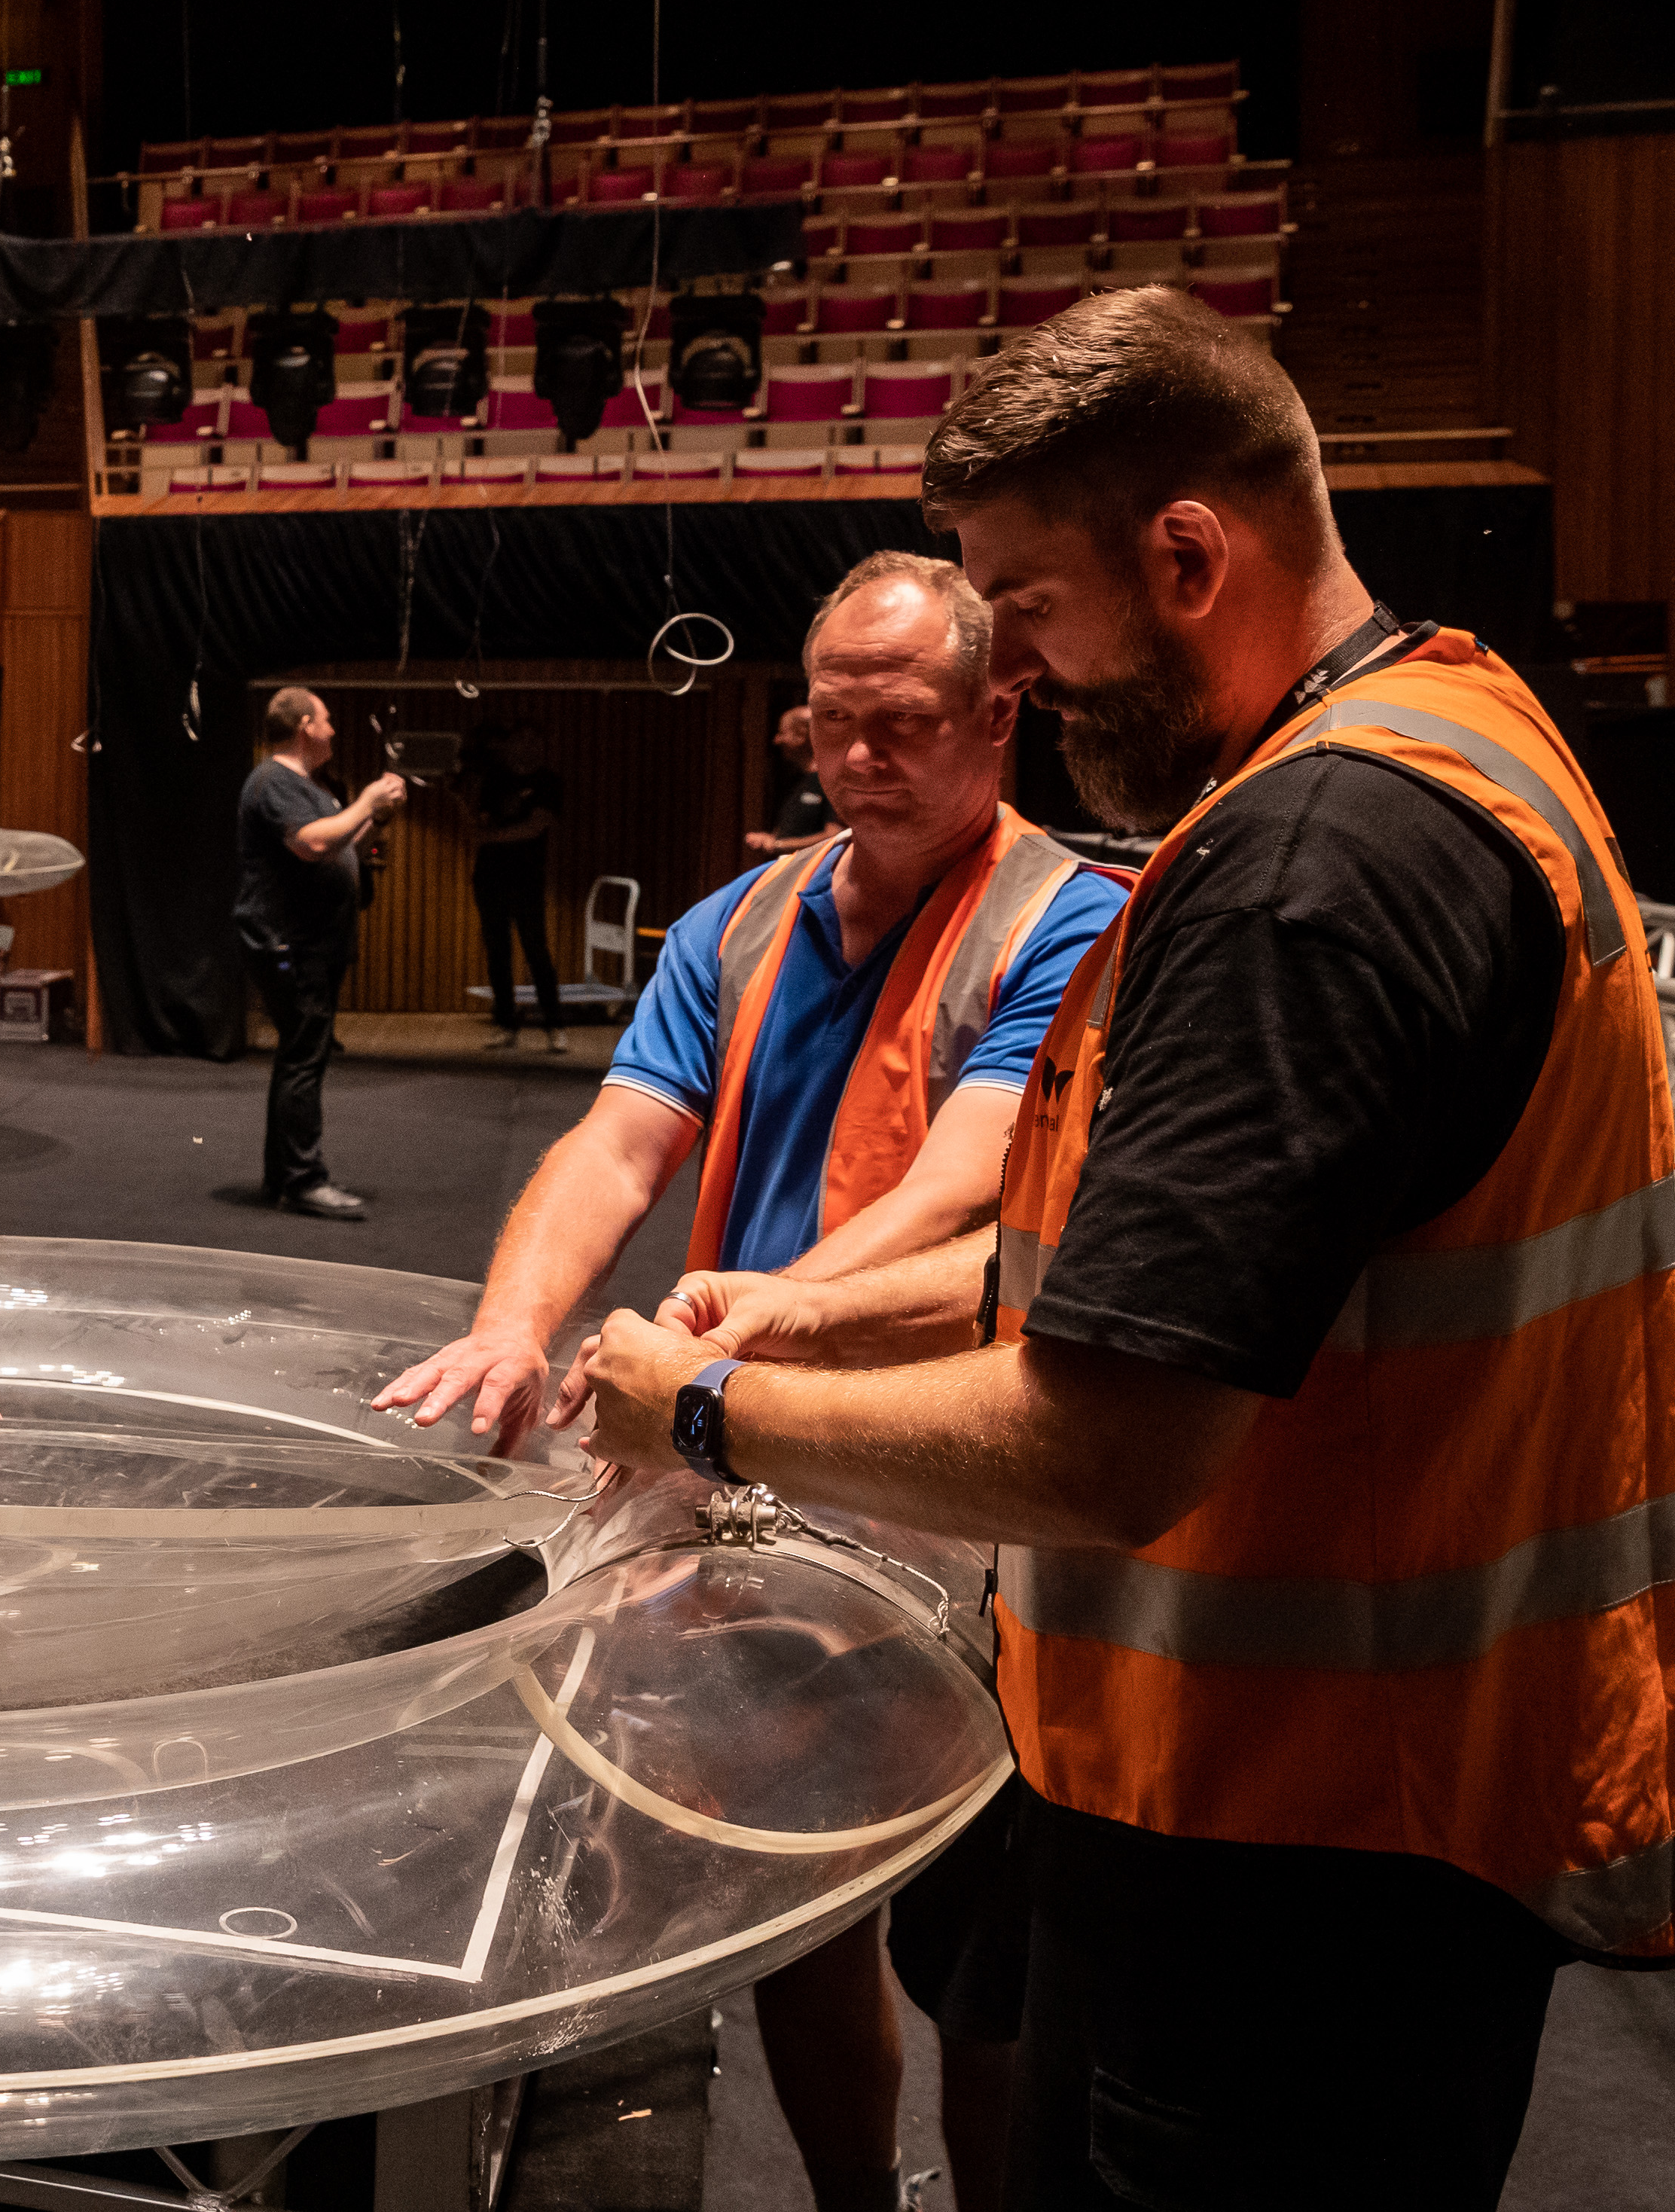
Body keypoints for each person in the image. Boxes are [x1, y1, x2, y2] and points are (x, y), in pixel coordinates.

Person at [570, 289, 1675, 2210]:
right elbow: (1163, 1250)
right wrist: (816, 1306)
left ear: (1184, 554)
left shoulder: (1307, 870)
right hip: (1351, 1809)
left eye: (1021, 603)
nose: (1014, 666)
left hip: (1303, 1846)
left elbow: (1104, 1438)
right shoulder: (1448, 731)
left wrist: (701, 1407)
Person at [374, 553, 1122, 2212]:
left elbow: (964, 1188)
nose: (861, 758)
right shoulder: (745, 920)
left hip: (961, 1471)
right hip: (745, 1443)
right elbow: (617, 1142)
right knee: (786, 1880)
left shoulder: (1067, 923)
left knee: (982, 1961)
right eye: (834, 724)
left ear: (1000, 716)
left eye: (904, 723)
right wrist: (513, 1320)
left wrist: (749, 1323)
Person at [236, 685, 407, 1220]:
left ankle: (281, 1175)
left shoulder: (301, 784)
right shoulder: (273, 781)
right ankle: (305, 1180)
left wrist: (374, 817)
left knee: (299, 1056)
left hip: (312, 942)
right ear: (306, 724)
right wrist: (365, 802)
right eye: (328, 721)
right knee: (304, 1059)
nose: (334, 730)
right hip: (291, 942)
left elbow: (335, 842)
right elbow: (310, 844)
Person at [467, 722, 569, 1055]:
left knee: (536, 950)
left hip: (526, 877)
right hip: (489, 876)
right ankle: (506, 1024)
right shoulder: (494, 780)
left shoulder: (548, 782)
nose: (526, 746)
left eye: (532, 739)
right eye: (520, 739)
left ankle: (554, 1026)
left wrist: (490, 836)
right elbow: (479, 821)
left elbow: (537, 826)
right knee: (497, 953)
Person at [748, 699, 836, 855]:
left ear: (802, 735)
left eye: (782, 733)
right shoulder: (799, 780)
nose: (777, 740)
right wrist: (770, 839)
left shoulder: (831, 780)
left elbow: (835, 835)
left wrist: (778, 844)